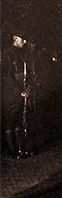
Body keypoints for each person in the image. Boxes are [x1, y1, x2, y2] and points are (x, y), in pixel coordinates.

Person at [1, 30, 35, 158]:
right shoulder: (7, 54)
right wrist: (19, 90)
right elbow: (8, 75)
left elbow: (26, 73)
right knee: (10, 121)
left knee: (20, 122)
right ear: (15, 38)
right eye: (22, 39)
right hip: (11, 93)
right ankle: (12, 151)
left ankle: (21, 149)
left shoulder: (22, 54)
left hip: (21, 92)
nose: (24, 42)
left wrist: (27, 88)